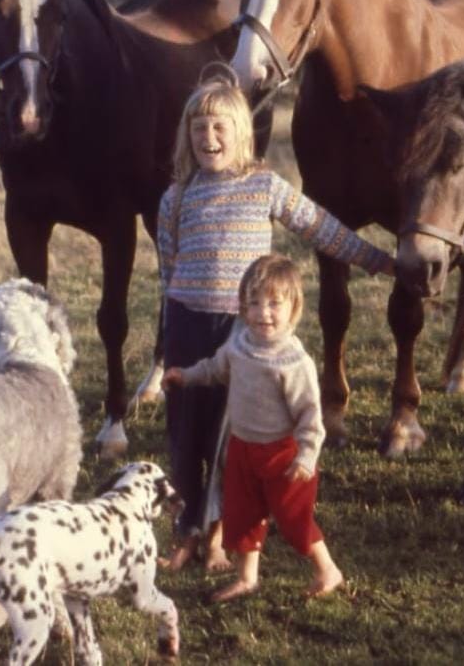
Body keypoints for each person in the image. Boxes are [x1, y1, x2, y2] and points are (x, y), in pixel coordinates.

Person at [155, 66, 391, 573]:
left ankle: (217, 536)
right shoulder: (175, 198)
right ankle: (186, 530)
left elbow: (319, 226)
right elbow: (167, 271)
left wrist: (375, 259)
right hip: (186, 324)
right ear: (187, 135)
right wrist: (165, 340)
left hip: (242, 333)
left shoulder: (263, 185)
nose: (208, 137)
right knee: (185, 435)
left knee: (228, 437)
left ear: (241, 132)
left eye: (219, 127)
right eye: (199, 128)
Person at [163, 254, 344, 600]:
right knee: (242, 514)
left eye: (275, 304)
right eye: (254, 303)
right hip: (242, 448)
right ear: (243, 308)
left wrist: (306, 456)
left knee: (293, 519)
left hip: (283, 455)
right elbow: (215, 369)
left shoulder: (293, 362)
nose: (264, 313)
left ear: (294, 308)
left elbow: (310, 417)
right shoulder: (239, 344)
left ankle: (327, 569)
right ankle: (247, 578)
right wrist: (185, 376)